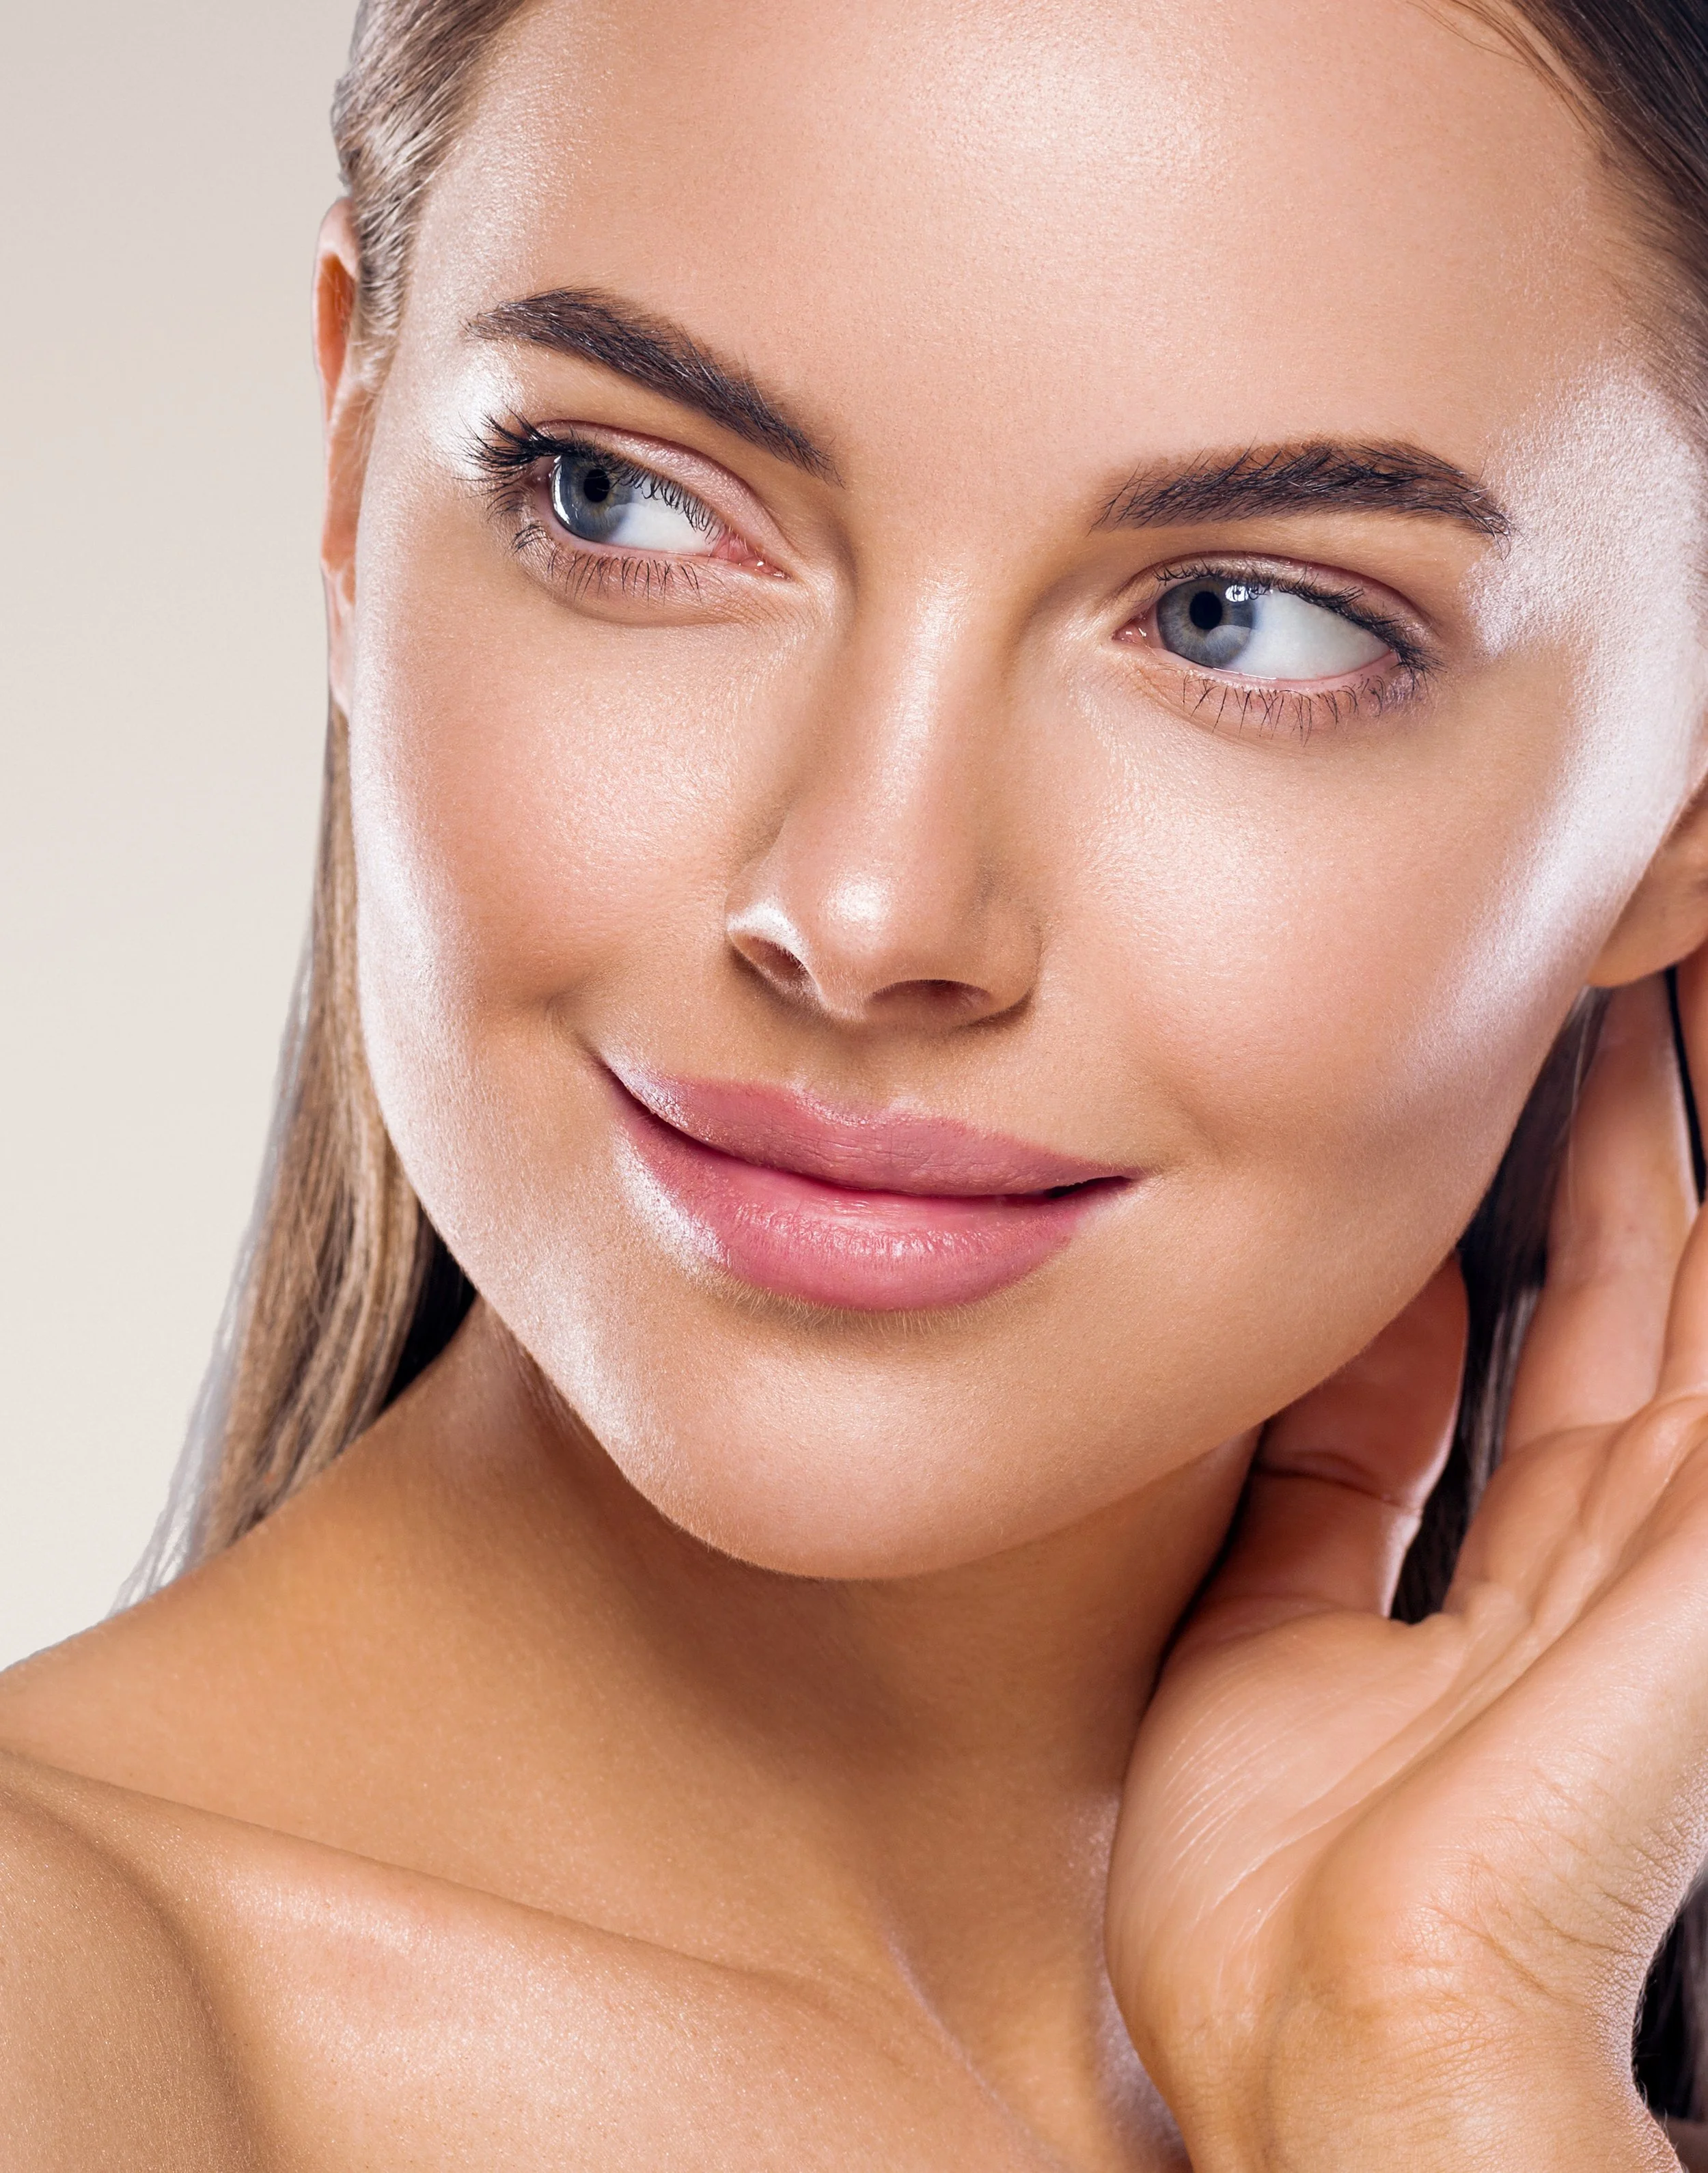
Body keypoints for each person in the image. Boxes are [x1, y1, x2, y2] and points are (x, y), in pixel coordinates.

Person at [6, 0, 1708, 2163]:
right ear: (349, 469)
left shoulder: (1487, 2064)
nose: (869, 904)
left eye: (1241, 621)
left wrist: (1439, 2069)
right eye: (622, 497)